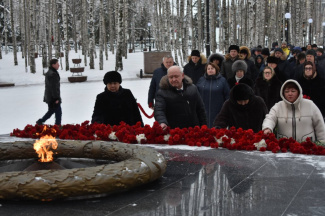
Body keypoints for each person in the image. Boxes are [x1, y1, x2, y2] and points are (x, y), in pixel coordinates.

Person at [196, 63, 230, 128]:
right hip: (204, 111)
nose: (210, 70)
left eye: (212, 68)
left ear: (216, 69)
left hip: (218, 111)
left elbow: (227, 95)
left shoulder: (222, 80)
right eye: (208, 69)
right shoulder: (201, 80)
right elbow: (196, 94)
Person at [36, 59, 62, 125]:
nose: (58, 65)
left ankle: (40, 122)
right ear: (53, 65)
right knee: (58, 112)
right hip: (53, 97)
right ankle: (57, 126)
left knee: (52, 111)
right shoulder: (52, 74)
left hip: (50, 96)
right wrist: (56, 98)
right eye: (57, 64)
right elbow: (53, 87)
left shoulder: (51, 72)